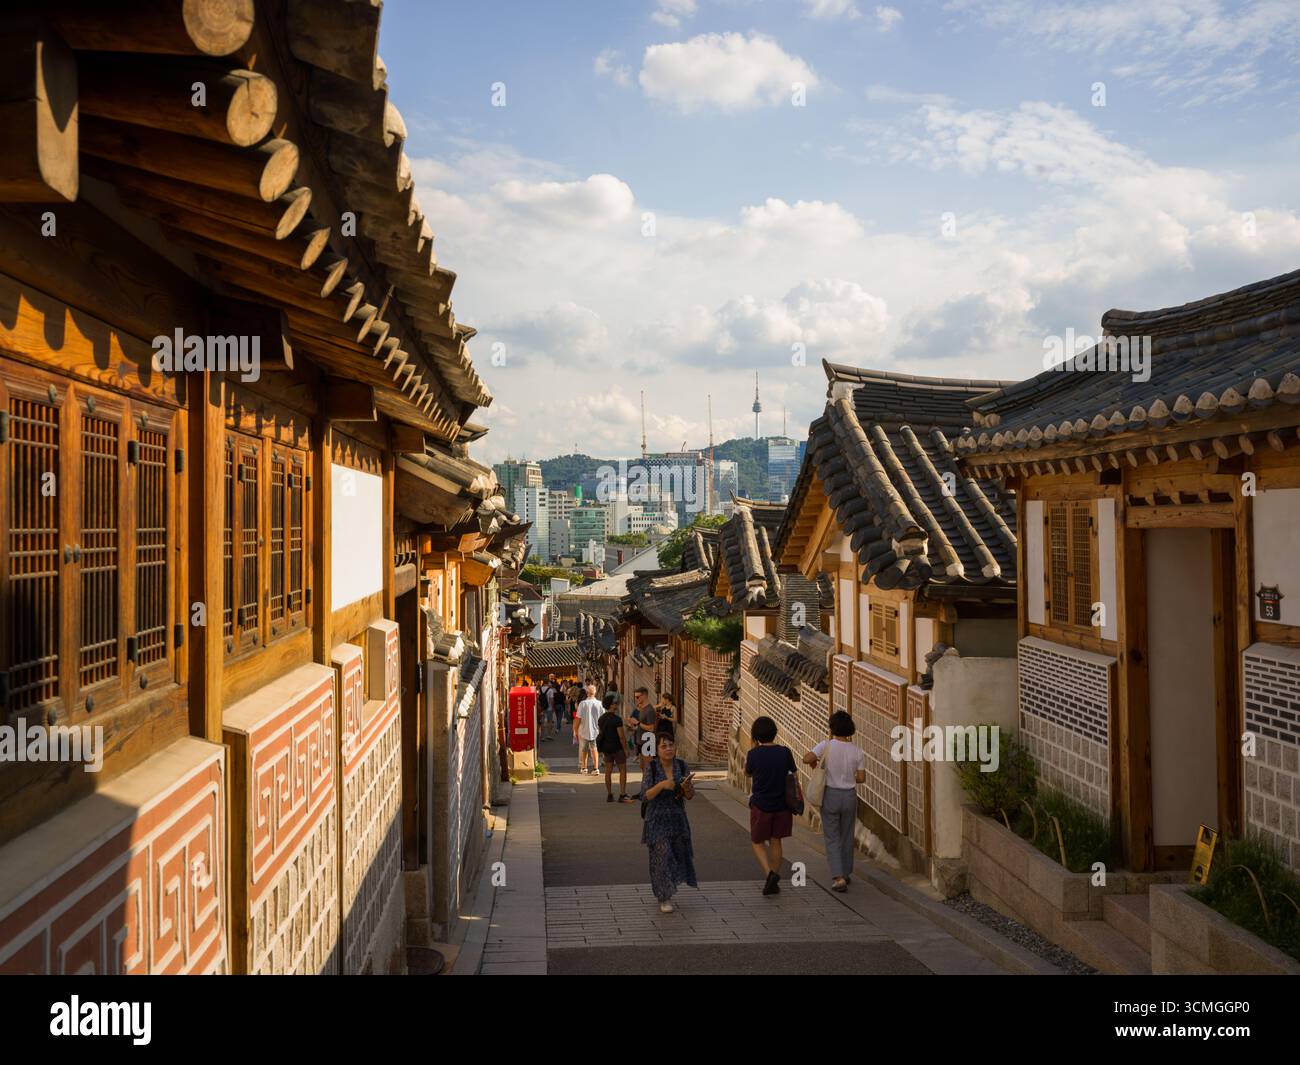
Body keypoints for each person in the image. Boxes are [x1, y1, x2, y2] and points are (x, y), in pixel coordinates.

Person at [802, 711, 867, 892]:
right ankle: (846, 872)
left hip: (830, 794)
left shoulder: (826, 745)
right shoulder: (857, 751)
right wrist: (848, 776)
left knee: (832, 837)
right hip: (849, 796)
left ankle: (838, 878)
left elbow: (806, 758)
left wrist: (816, 764)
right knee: (847, 835)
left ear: (832, 728)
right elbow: (861, 778)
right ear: (850, 729)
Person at [640, 728, 697, 913]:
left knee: (676, 856)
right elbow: (645, 795)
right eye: (664, 746)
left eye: (671, 745)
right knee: (662, 856)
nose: (668, 749)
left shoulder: (681, 766)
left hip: (677, 819)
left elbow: (689, 796)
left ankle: (666, 888)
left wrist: (687, 787)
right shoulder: (652, 767)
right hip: (656, 820)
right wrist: (663, 785)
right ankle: (664, 897)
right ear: (657, 750)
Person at [744, 715, 797, 896]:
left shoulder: (753, 754)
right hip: (782, 804)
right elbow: (793, 774)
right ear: (774, 733)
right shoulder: (785, 752)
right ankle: (773, 877)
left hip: (761, 804)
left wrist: (753, 748)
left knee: (757, 841)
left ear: (756, 734)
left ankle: (769, 874)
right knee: (776, 841)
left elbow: (748, 773)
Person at [596, 693, 634, 803]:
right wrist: (626, 750)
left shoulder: (601, 719)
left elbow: (601, 733)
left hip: (606, 748)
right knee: (622, 770)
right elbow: (622, 737)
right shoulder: (617, 719)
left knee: (608, 771)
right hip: (617, 748)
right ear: (611, 705)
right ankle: (622, 794)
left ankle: (609, 794)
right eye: (614, 703)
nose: (616, 705)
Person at [628, 687, 658, 796]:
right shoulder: (642, 709)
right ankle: (643, 790)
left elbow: (651, 728)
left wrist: (637, 723)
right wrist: (633, 725)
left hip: (648, 741)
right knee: (642, 767)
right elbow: (640, 726)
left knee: (648, 768)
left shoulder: (649, 710)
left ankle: (649, 791)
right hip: (641, 741)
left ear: (644, 695)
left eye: (637, 697)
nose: (636, 699)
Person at [574, 683, 603, 774]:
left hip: (584, 729)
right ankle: (596, 768)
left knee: (584, 749)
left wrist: (575, 729)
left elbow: (578, 718)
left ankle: (584, 767)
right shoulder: (599, 704)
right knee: (594, 748)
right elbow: (603, 718)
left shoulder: (583, 704)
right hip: (596, 730)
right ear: (595, 693)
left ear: (587, 693)